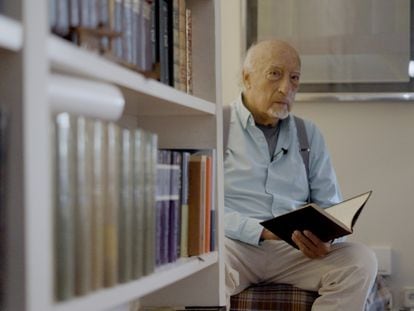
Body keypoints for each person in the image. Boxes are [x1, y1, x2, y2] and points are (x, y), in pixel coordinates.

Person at [223, 39, 377, 310]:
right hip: (235, 247)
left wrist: (326, 239)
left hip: (295, 251)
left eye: (294, 78)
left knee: (361, 260)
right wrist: (260, 231)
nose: (286, 88)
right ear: (247, 78)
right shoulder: (217, 126)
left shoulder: (309, 134)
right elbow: (202, 210)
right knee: (202, 263)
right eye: (275, 74)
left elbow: (329, 203)